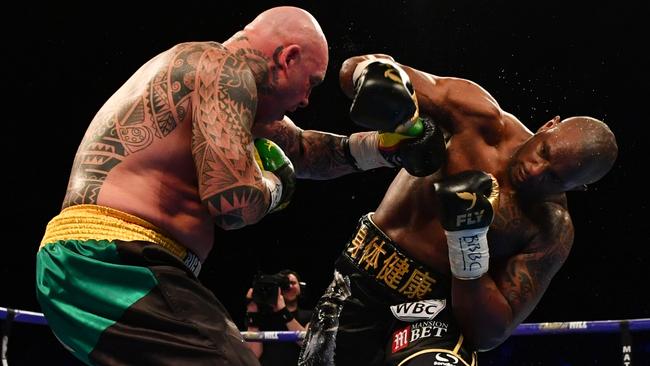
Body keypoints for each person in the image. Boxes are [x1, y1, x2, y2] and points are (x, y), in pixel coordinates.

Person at [34, 7, 440, 366]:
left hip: (107, 263)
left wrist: (388, 149)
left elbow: (303, 149)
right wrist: (275, 184)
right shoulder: (223, 70)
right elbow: (231, 205)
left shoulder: (222, 84)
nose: (305, 100)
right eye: (310, 83)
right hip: (110, 263)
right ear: (288, 58)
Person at [298, 54, 618, 366]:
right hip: (361, 277)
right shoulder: (478, 118)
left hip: (436, 312)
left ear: (576, 188)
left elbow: (490, 332)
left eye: (555, 177)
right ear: (549, 125)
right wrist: (376, 84)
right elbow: (355, 68)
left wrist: (468, 244)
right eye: (544, 152)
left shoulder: (550, 228)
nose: (536, 170)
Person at [244, 269, 312, 365]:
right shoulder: (263, 318)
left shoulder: (309, 316)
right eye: (285, 285)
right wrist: (252, 311)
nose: (290, 287)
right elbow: (254, 354)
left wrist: (283, 311)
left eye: (293, 283)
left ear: (301, 287)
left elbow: (307, 344)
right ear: (278, 288)